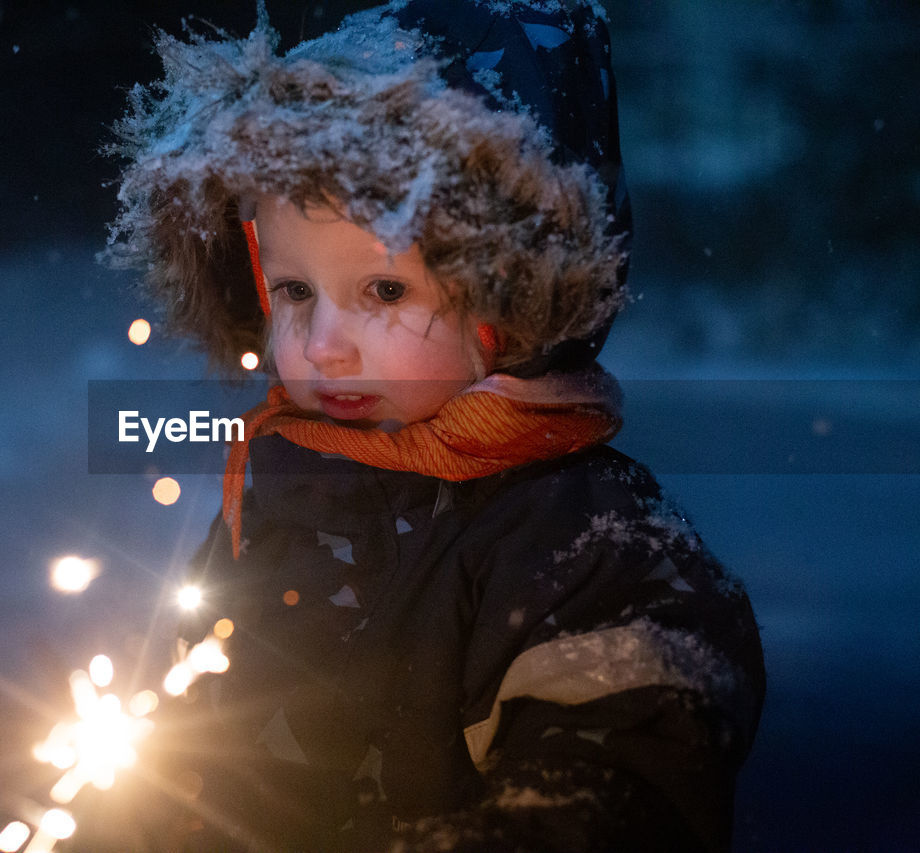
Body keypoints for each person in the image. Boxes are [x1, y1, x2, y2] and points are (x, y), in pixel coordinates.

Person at [101, 2, 765, 850]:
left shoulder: (585, 538)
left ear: (515, 299)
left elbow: (627, 771)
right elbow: (185, 734)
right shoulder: (284, 479)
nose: (324, 345)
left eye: (385, 292)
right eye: (295, 291)